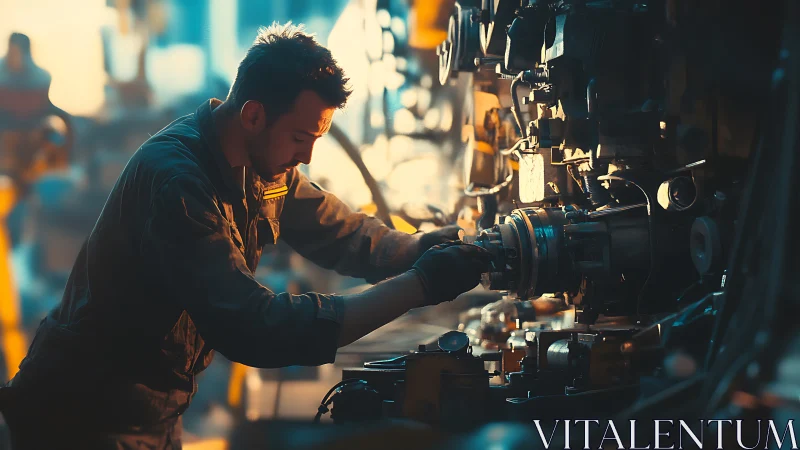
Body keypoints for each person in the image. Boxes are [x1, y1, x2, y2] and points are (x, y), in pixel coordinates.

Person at [0, 23, 491, 449]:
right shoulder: (178, 182)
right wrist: (420, 285)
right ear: (254, 115)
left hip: (150, 413)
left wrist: (415, 248)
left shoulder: (259, 164)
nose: (307, 157)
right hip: (81, 420)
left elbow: (340, 232)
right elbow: (256, 327)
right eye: (300, 138)